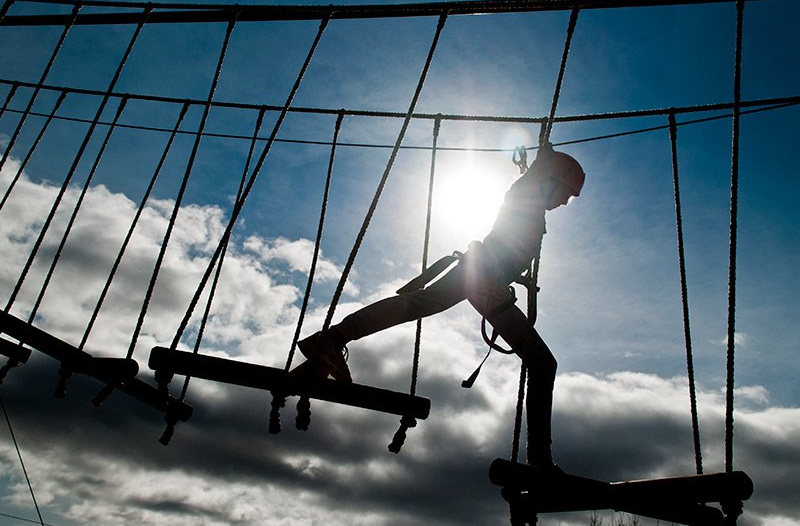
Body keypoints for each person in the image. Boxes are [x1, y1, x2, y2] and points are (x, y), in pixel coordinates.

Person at [298, 143, 584, 468]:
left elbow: (511, 238)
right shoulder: (529, 193)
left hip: (481, 276)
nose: (564, 202)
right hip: (482, 278)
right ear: (551, 181)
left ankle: (333, 339)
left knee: (417, 304)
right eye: (566, 194)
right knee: (543, 364)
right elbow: (527, 187)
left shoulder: (533, 203)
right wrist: (541, 161)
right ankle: (540, 460)